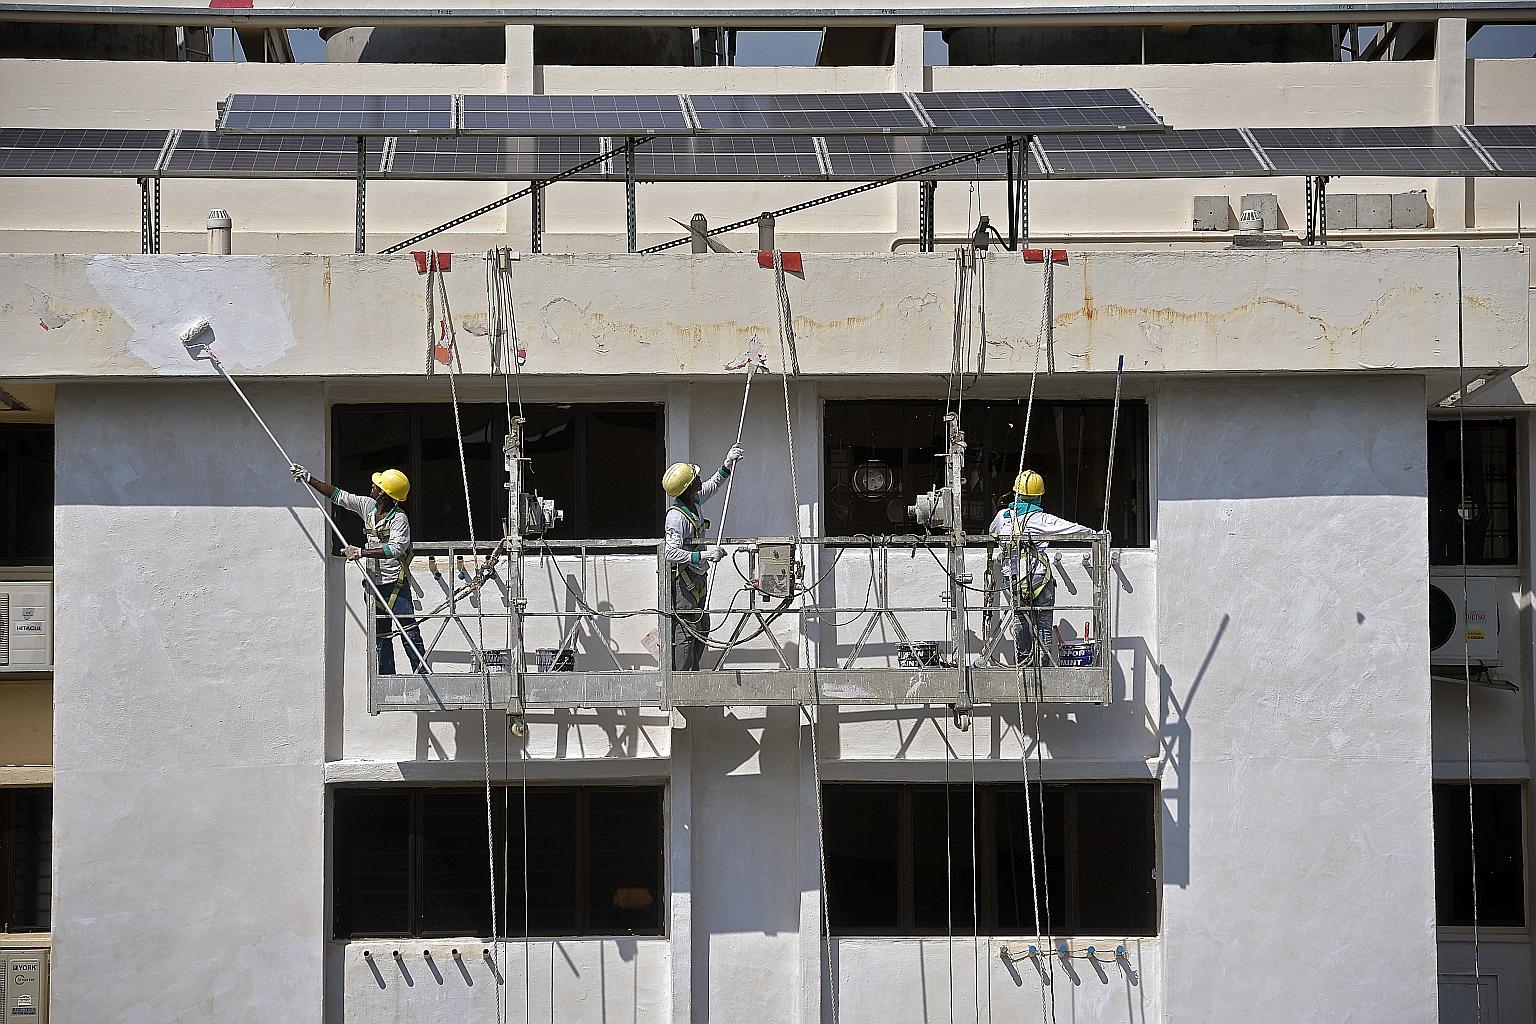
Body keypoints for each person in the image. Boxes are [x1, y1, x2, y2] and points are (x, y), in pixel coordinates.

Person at [290, 463, 427, 675]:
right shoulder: (368, 507)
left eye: (376, 486)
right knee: (381, 636)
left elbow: (395, 549)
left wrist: (361, 552)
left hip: (395, 586)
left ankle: (422, 672)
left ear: (383, 494)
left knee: (408, 630)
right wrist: (310, 479)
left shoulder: (399, 519)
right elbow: (338, 496)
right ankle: (386, 677)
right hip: (374, 585)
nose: (371, 486)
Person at [988, 470, 1093, 666]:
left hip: (1015, 579)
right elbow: (1073, 529)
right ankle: (1042, 665)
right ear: (1038, 496)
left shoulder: (1003, 516)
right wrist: (1097, 534)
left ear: (1016, 494)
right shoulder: (1042, 520)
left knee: (1020, 619)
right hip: (1039, 578)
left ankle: (1023, 664)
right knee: (1043, 623)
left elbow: (992, 531)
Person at [662, 444, 745, 671]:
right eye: (695, 477)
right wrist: (704, 554)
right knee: (687, 628)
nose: (700, 478)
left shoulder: (695, 502)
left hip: (698, 576)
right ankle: (684, 676)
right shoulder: (676, 518)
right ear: (688, 487)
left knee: (701, 626)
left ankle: (692, 670)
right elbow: (670, 552)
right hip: (685, 579)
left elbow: (714, 485)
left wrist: (727, 464)